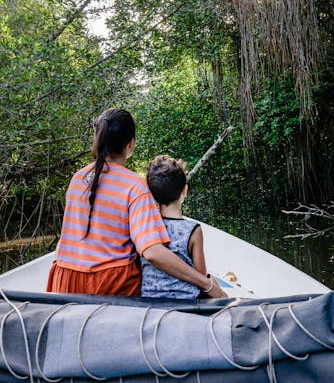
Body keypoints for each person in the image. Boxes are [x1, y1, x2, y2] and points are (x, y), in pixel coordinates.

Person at [46, 108, 225, 298]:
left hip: (64, 281)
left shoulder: (77, 178)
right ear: (130, 144)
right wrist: (207, 284)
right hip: (108, 285)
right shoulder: (135, 185)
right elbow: (152, 252)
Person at [141, 155, 210, 299]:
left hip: (149, 300)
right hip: (187, 303)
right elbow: (201, 275)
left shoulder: (145, 227)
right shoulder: (193, 230)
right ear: (184, 191)